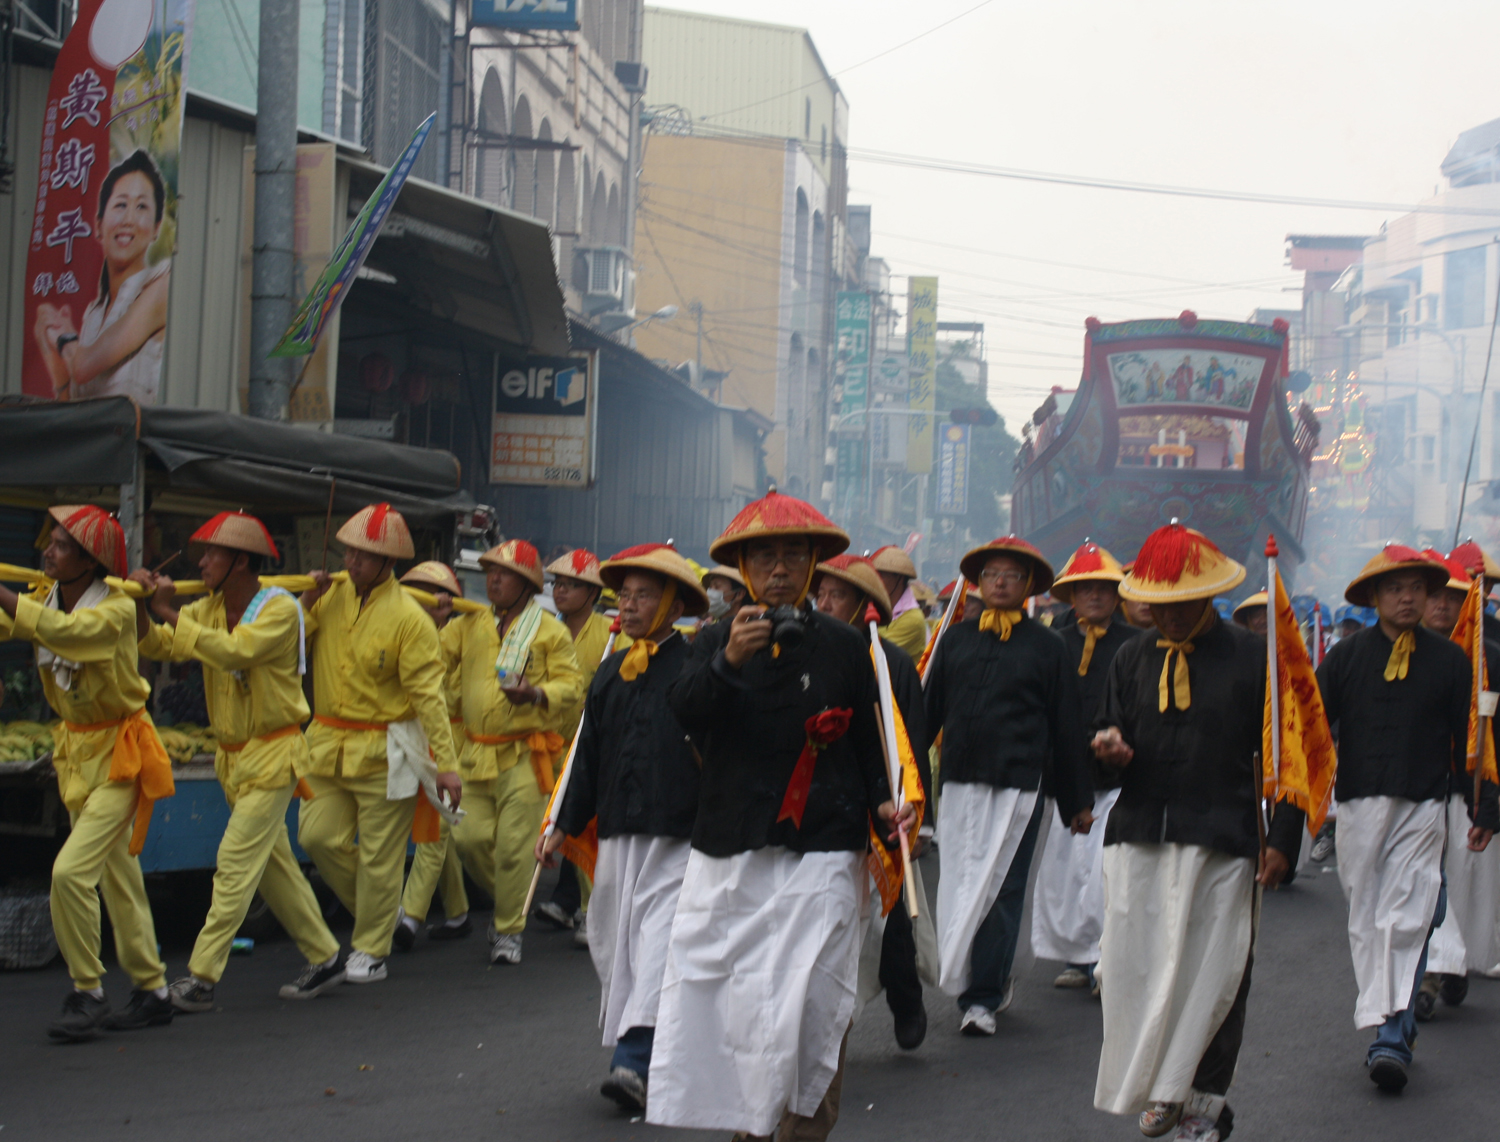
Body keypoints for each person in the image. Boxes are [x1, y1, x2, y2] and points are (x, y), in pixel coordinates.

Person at [649, 489, 911, 1141]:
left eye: (794, 556)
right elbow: (684, 711)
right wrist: (730, 659)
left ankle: (801, 1129)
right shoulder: (710, 641)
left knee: (813, 1006)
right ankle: (751, 1127)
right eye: (764, 556)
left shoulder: (849, 650)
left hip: (825, 850)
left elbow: (870, 745)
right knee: (739, 1010)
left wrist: (886, 801)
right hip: (731, 853)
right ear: (743, 568)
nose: (779, 569)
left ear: (816, 565)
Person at [1091, 522, 1303, 1142]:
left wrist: (1282, 838)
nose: (1169, 617)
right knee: (1132, 970)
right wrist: (1106, 748)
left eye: (1181, 604)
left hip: (1225, 838)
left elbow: (1288, 753)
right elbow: (1108, 729)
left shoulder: (1252, 657)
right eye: (1157, 606)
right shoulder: (1130, 656)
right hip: (1139, 834)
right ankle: (1160, 1086)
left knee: (1215, 975)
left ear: (1209, 596)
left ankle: (1200, 1101)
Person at [133, 511, 343, 1008]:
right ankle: (326, 955)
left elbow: (232, 653)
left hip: (273, 753)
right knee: (273, 867)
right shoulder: (207, 608)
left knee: (232, 862)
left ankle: (202, 976)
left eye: (212, 554)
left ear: (241, 561)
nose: (201, 562)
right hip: (232, 758)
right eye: (202, 554)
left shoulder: (279, 610)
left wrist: (166, 609)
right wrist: (145, 608)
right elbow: (158, 643)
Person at [1316, 544, 1496, 1092]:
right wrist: (1296, 807)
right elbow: (1314, 737)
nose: (1409, 597)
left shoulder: (1452, 661)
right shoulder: (1343, 659)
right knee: (1370, 919)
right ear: (1374, 597)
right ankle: (1396, 1014)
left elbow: (1472, 744)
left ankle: (1392, 1035)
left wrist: (1484, 803)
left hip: (1425, 804)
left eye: (1418, 587)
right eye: (1396, 588)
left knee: (1407, 915)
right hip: (1357, 807)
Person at [540, 543, 708, 1112]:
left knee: (659, 940)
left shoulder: (697, 671)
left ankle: (633, 1060)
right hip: (617, 830)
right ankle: (656, 1049)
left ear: (674, 605)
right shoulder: (610, 672)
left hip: (679, 832)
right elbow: (585, 756)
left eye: (644, 596)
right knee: (616, 940)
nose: (630, 606)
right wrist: (563, 825)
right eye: (626, 595)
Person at [0, 505, 174, 1040]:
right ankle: (153, 990)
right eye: (49, 544)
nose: (47, 552)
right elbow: (26, 622)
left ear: (90, 561)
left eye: (60, 545)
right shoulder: (44, 596)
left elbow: (65, 636)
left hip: (121, 755)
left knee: (69, 873)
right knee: (119, 879)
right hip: (76, 755)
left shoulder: (117, 608)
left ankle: (87, 991)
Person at [925, 536, 1093, 1036]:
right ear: (977, 583)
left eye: (1012, 575)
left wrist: (1076, 800)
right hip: (959, 784)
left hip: (1020, 787)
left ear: (1028, 588)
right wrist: (905, 788)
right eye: (992, 574)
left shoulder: (1049, 646)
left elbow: (1066, 725)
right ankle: (982, 976)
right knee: (960, 885)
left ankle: (983, 997)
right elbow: (927, 713)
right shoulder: (953, 640)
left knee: (1001, 889)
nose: (1000, 582)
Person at [297, 504, 463, 985]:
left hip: (385, 751)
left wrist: (446, 766)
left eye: (365, 557)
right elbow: (292, 645)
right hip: (326, 743)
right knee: (317, 837)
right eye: (349, 553)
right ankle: (383, 910)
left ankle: (371, 948)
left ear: (388, 562)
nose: (352, 563)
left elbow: (429, 698)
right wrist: (306, 603)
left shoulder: (411, 619)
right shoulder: (329, 597)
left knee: (380, 856)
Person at [813, 552, 932, 1051]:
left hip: (882, 805)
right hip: (822, 804)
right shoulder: (807, 653)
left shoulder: (892, 663)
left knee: (890, 916)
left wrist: (917, 818)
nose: (823, 603)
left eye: (836, 595)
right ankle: (825, 1023)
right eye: (819, 593)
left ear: (865, 605)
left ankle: (906, 1001)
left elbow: (912, 742)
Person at [445, 539, 583, 966]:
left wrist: (538, 694)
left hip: (526, 755)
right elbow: (432, 657)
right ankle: (512, 896)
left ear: (526, 585)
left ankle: (508, 930)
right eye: (490, 572)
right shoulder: (466, 624)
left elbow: (573, 687)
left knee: (513, 847)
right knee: (468, 838)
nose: (494, 580)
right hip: (474, 753)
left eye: (503, 574)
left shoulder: (550, 631)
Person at [1030, 541, 1137, 995]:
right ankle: (1076, 954)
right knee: (1065, 869)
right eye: (1085, 588)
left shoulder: (1134, 644)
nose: (1095, 596)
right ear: (1070, 596)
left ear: (1117, 595)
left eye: (1104, 588)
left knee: (1103, 871)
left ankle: (1103, 956)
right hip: (1064, 774)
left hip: (1114, 777)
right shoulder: (1053, 642)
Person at [1411, 552, 1500, 1017]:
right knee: (1424, 885)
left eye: (1455, 598)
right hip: (1415, 790)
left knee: (1462, 885)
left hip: (1470, 790)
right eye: (1436, 597)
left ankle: (1452, 965)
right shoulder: (1400, 654)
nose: (1443, 607)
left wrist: (1490, 803)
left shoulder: (1491, 658)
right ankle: (1425, 980)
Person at [34, 150, 171, 404]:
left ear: (155, 228)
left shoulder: (161, 286)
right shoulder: (94, 313)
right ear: (98, 225)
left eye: (141, 206)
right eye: (120, 205)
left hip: (129, 443)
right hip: (86, 443)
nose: (128, 220)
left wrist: (64, 338)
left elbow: (84, 367)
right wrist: (51, 351)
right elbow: (69, 409)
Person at [533, 549, 620, 941]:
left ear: (593, 593)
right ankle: (565, 900)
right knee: (548, 826)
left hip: (589, 747)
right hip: (544, 746)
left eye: (571, 585)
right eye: (558, 584)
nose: (561, 591)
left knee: (586, 825)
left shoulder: (612, 633)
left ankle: (589, 910)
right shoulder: (541, 631)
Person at [392, 561, 473, 950]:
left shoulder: (463, 636)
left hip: (450, 742)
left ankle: (408, 916)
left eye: (436, 594)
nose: (429, 600)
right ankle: (457, 913)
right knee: (444, 835)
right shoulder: (400, 630)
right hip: (406, 738)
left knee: (438, 830)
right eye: (419, 590)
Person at [872, 545, 928, 659]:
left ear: (899, 578)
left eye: (881, 576)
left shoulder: (913, 619)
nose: (875, 581)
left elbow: (875, 654)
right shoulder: (875, 607)